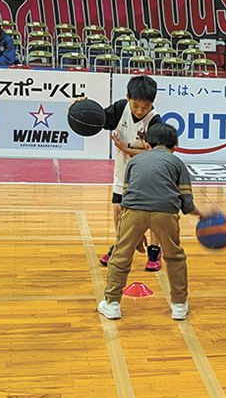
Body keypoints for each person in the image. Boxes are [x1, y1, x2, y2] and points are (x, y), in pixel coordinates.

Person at [97, 123, 214, 321]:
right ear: (175, 147)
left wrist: (137, 234)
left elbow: (127, 197)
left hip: (133, 212)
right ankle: (179, 306)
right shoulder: (178, 163)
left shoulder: (135, 161)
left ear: (146, 145)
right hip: (166, 213)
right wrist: (203, 214)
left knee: (120, 256)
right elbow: (186, 205)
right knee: (175, 257)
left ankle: (112, 304)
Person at [88, 75, 163, 271]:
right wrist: (80, 105)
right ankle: (123, 246)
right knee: (118, 209)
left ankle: (154, 251)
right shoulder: (120, 108)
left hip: (148, 172)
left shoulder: (154, 120)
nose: (139, 111)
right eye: (135, 105)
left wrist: (125, 149)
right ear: (128, 97)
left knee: (152, 213)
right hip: (124, 170)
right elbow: (96, 118)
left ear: (152, 103)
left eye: (145, 107)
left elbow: (155, 152)